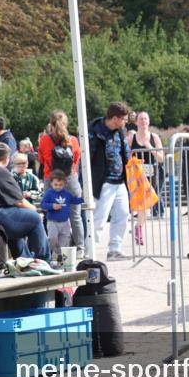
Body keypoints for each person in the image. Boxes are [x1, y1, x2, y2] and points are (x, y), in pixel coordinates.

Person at [88, 101, 133, 261]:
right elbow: (87, 159)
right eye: (124, 119)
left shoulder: (120, 132)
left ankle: (115, 249)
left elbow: (125, 153)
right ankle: (90, 252)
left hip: (120, 180)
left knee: (122, 214)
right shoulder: (93, 132)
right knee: (99, 218)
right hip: (103, 181)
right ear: (115, 118)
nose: (125, 122)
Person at [38, 110, 84, 251]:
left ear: (51, 124)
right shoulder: (74, 140)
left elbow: (41, 159)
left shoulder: (45, 140)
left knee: (53, 216)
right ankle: (80, 248)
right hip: (70, 180)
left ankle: (56, 251)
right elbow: (76, 160)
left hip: (51, 181)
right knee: (75, 216)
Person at [127, 111, 166, 240]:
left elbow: (161, 158)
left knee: (146, 203)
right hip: (137, 174)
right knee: (141, 203)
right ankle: (139, 229)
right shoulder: (131, 138)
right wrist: (135, 161)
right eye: (141, 119)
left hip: (152, 174)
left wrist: (149, 147)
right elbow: (125, 157)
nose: (144, 121)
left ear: (148, 122)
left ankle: (139, 227)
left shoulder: (154, 137)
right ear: (136, 122)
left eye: (146, 119)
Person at [41, 169, 83, 261]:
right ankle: (51, 253)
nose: (58, 187)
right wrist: (52, 206)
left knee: (65, 241)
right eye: (55, 185)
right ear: (51, 183)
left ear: (64, 184)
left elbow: (74, 201)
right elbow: (43, 204)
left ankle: (62, 258)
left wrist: (83, 199)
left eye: (60, 185)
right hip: (53, 221)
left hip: (65, 222)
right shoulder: (49, 193)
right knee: (52, 238)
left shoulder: (66, 194)